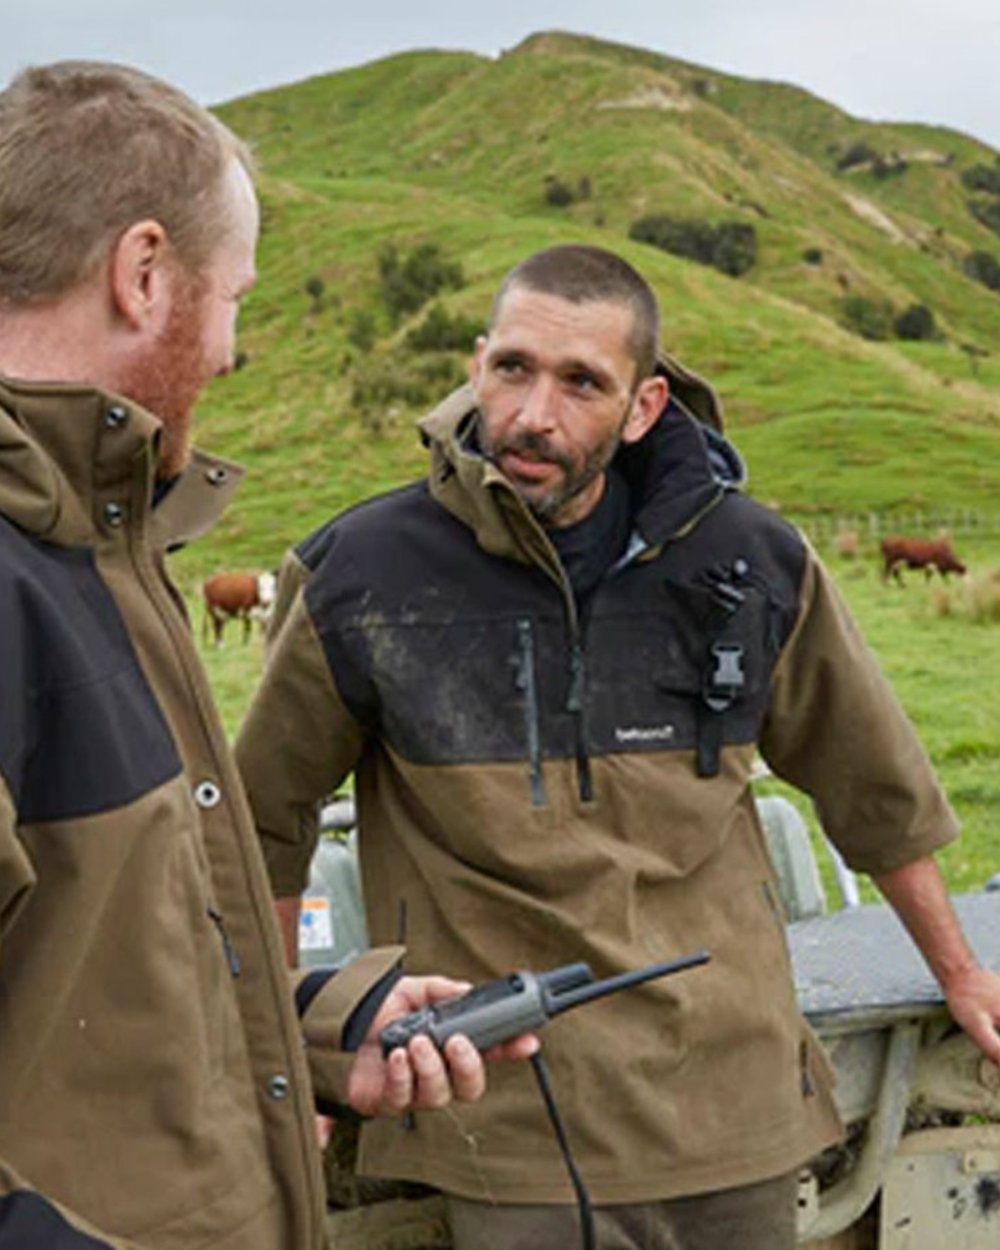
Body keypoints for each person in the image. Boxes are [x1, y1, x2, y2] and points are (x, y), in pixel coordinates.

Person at [235, 243, 1000, 1250]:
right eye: (512, 367)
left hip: (734, 1106)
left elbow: (875, 789)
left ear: (641, 408)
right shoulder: (358, 574)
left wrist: (962, 974)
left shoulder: (753, 559)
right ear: (474, 366)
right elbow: (264, 820)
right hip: (499, 1120)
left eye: (580, 382)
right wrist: (298, 1042)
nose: (532, 414)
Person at [0, 61, 536, 1250]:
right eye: (231, 294)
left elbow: (83, 974)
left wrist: (318, 1023)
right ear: (145, 274)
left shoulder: (96, 548)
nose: (233, 345)